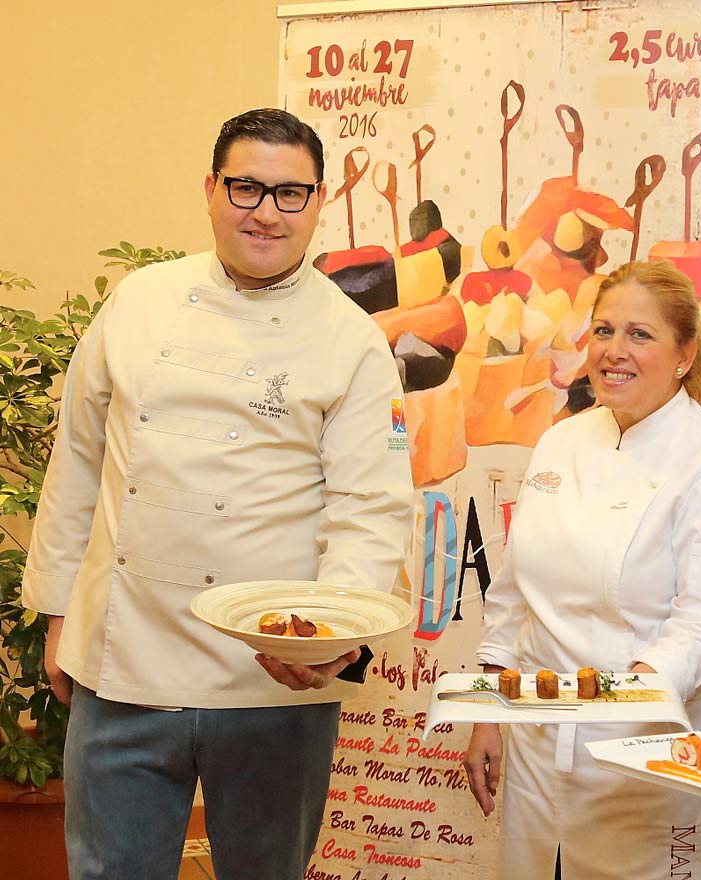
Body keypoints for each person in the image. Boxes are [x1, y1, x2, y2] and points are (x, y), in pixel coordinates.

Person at [21, 108, 414, 880]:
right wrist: (60, 608)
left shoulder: (354, 342)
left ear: (318, 201)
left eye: (290, 194)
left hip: (272, 678)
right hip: (123, 662)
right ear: (210, 190)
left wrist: (332, 638)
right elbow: (78, 459)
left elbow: (370, 510)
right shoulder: (138, 301)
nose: (266, 212)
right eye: (245, 187)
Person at [464, 259, 701, 879]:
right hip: (540, 750)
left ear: (683, 355)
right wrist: (491, 708)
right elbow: (515, 592)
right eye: (603, 331)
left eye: (639, 334)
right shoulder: (561, 442)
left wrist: (619, 694)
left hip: (653, 753)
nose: (614, 351)